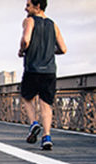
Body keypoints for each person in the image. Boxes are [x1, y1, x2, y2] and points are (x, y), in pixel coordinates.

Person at [18, 0, 66, 150]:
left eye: (28, 5)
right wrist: (50, 52)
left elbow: (26, 39)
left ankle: (33, 123)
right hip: (50, 70)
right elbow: (63, 49)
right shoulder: (53, 25)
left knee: (27, 97)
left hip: (32, 68)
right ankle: (46, 136)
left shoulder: (29, 21)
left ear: (37, 6)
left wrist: (22, 50)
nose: (25, 8)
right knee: (46, 104)